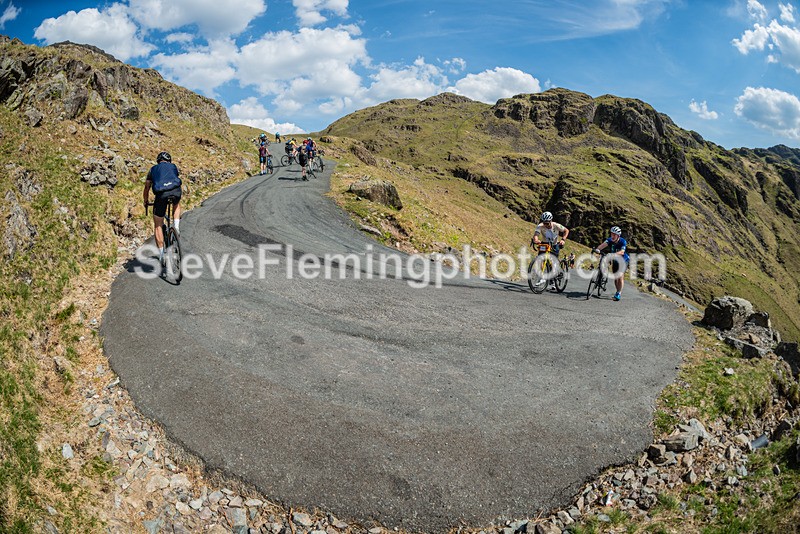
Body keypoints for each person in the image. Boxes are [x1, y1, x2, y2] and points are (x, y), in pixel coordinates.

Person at [143, 151, 182, 262]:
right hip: (176, 191)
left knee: (158, 224)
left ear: (158, 161)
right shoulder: (173, 166)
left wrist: (145, 201)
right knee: (176, 204)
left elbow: (147, 188)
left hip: (161, 194)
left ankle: (161, 255)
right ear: (169, 161)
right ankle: (176, 227)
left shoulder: (152, 170)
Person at [531, 211, 569, 286]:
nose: (546, 225)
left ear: (551, 221)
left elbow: (566, 231)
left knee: (554, 261)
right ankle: (541, 277)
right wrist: (536, 240)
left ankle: (554, 278)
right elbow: (536, 234)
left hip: (555, 244)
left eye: (547, 223)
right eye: (544, 223)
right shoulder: (540, 226)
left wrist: (563, 240)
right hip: (545, 244)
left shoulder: (556, 225)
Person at [594, 225, 629, 301]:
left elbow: (622, 252)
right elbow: (603, 245)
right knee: (615, 278)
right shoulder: (609, 240)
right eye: (611, 234)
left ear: (618, 236)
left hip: (623, 260)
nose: (612, 236)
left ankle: (618, 293)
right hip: (615, 260)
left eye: (614, 235)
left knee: (620, 276)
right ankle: (617, 291)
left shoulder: (623, 241)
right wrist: (597, 249)